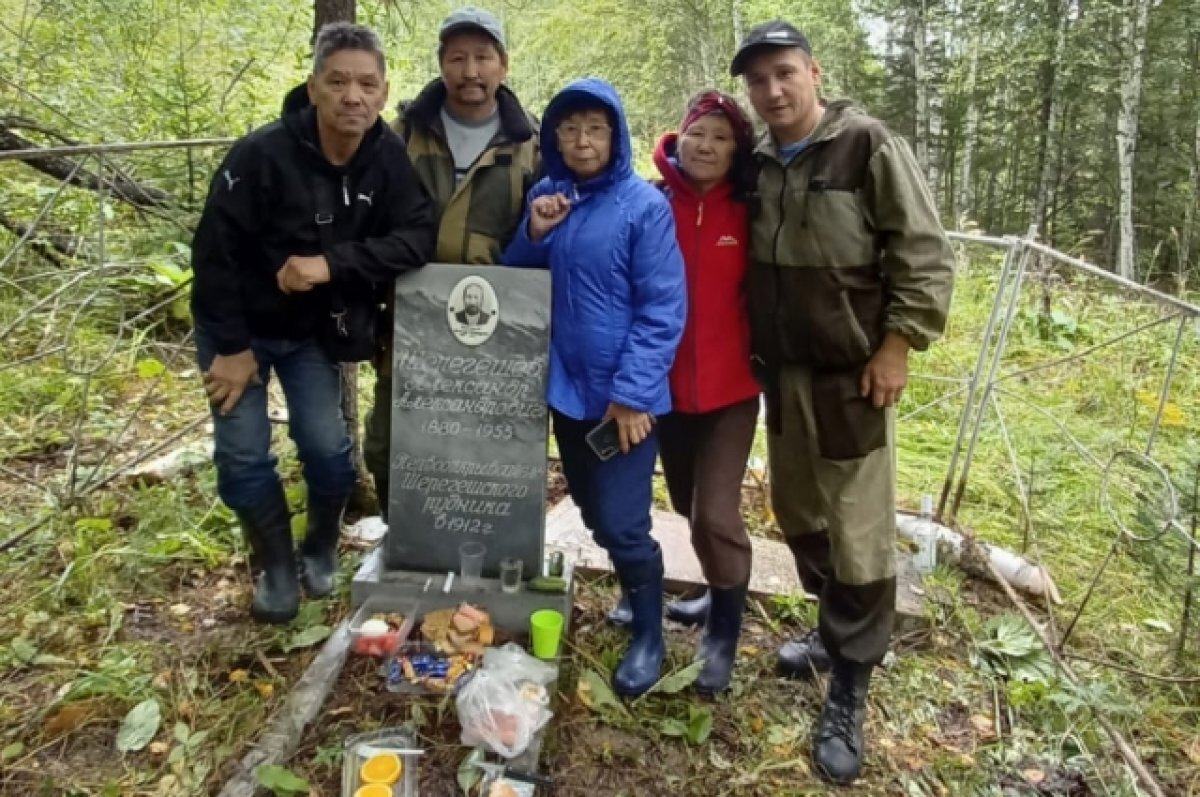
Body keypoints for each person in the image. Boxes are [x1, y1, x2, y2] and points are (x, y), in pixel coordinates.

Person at [732, 20, 955, 785]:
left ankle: (851, 681)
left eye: (785, 73)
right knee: (798, 511)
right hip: (782, 371)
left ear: (814, 72)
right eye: (758, 81)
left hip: (852, 374)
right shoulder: (760, 160)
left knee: (858, 529)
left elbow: (922, 251)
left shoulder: (866, 145)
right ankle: (837, 629)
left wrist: (898, 345)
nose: (773, 91)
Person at [191, 22, 435, 624]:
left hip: (309, 335)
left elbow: (417, 237)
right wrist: (231, 347)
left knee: (329, 453)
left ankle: (320, 543)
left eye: (367, 84)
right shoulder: (261, 155)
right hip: (237, 330)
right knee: (244, 456)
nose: (353, 96)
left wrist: (330, 264)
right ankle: (275, 565)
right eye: (339, 82)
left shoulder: (387, 158)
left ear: (382, 93)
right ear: (314, 87)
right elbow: (213, 254)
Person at [503, 78, 686, 697]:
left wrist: (634, 395)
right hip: (567, 390)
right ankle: (636, 597)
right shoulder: (550, 194)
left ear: (616, 135)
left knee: (623, 520)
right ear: (555, 136)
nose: (583, 140)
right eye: (571, 128)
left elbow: (663, 308)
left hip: (624, 402)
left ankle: (649, 632)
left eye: (596, 128)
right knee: (588, 507)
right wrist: (533, 231)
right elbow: (516, 280)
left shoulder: (644, 206)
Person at [364, 6, 539, 520]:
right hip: (409, 318)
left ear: (503, 66)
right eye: (457, 58)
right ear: (441, 65)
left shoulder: (531, 142)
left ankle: (481, 549)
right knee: (394, 442)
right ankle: (408, 544)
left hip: (501, 331)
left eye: (483, 57)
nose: (470, 71)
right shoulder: (400, 135)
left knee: (490, 449)